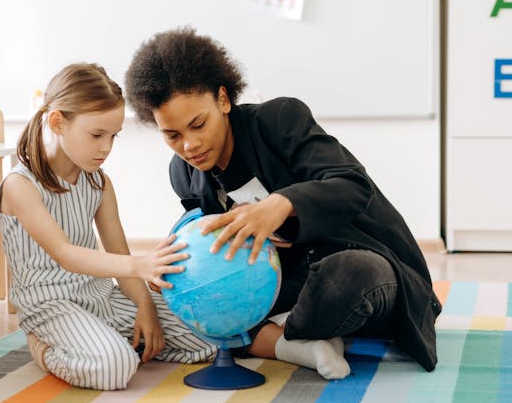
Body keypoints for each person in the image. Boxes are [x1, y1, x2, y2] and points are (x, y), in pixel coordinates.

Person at [124, 27, 442, 376]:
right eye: (172, 135)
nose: (190, 146)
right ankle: (298, 335)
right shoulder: (184, 174)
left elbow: (352, 185)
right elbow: (211, 249)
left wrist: (280, 205)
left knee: (349, 275)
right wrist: (173, 271)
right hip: (288, 280)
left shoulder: (279, 121)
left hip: (360, 267)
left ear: (223, 100)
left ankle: (275, 332)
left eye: (198, 124)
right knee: (181, 304)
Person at [0, 63, 218, 390]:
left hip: (101, 298)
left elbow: (117, 253)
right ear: (58, 122)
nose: (105, 148)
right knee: (116, 368)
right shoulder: (20, 185)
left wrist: (144, 307)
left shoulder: (98, 183)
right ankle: (45, 348)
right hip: (51, 307)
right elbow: (66, 254)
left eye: (113, 136)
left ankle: (102, 338)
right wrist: (142, 265)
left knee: (209, 339)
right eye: (96, 135)